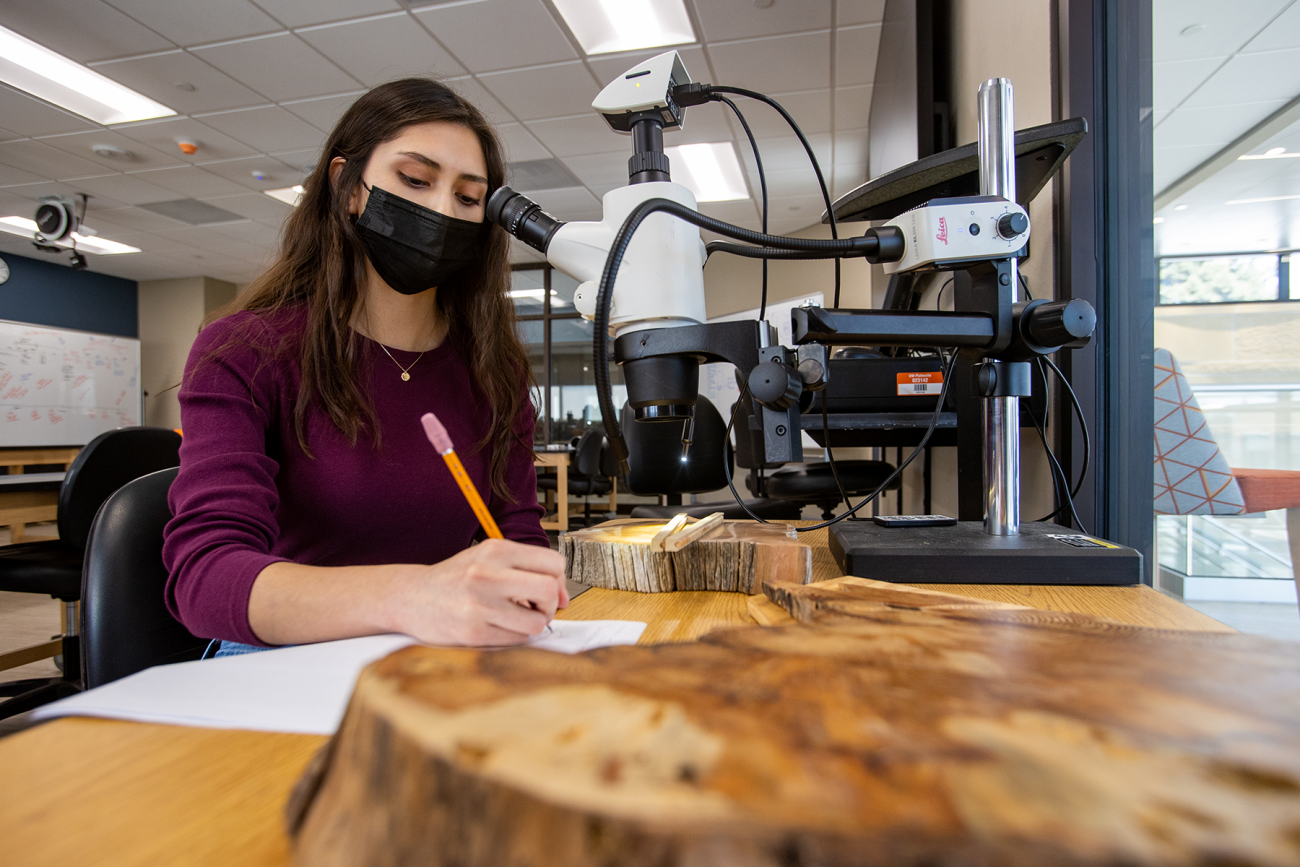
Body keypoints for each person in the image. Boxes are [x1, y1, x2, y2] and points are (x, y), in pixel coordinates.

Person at [162, 79, 566, 656]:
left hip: (436, 650)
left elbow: (518, 534)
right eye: (416, 181)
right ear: (348, 188)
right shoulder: (243, 350)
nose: (441, 210)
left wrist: (527, 588)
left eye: (469, 198)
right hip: (281, 660)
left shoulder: (492, 372)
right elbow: (205, 579)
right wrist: (411, 593)